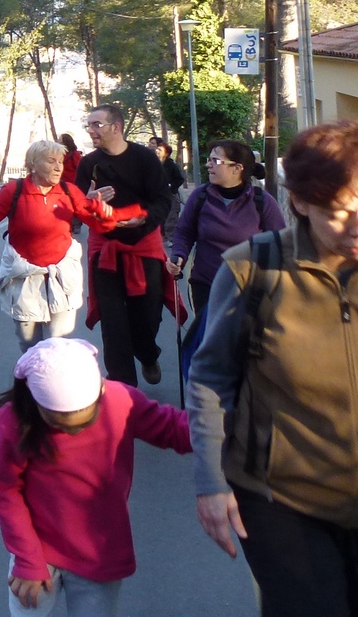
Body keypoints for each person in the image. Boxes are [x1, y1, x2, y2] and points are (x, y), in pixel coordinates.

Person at [188, 121, 358, 615]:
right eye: (338, 212)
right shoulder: (253, 267)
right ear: (300, 202)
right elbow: (211, 378)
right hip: (281, 499)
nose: (355, 226)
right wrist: (211, 482)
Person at [0, 338, 191, 615]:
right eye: (59, 423)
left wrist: (219, 425)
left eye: (85, 421)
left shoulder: (121, 400)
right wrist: (27, 558)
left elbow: (172, 428)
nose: (74, 431)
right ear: (33, 399)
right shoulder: (11, 422)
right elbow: (3, 490)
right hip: (37, 549)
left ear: (101, 388)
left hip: (98, 553)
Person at [75, 104, 184, 387]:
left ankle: (147, 355)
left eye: (97, 124)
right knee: (113, 323)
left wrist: (143, 219)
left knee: (146, 318)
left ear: (116, 127)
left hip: (143, 245)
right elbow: (77, 205)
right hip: (106, 249)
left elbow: (163, 200)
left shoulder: (145, 159)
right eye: (89, 125)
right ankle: (123, 388)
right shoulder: (88, 164)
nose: (91, 130)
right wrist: (89, 199)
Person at [167, 139, 284, 380]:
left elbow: (280, 242)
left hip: (248, 290)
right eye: (208, 159)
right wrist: (178, 256)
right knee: (212, 344)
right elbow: (184, 232)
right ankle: (210, 393)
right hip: (206, 284)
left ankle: (245, 393)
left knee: (243, 348)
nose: (208, 165)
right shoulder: (200, 196)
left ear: (237, 168)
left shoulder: (262, 202)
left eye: (215, 160)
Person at [0, 140, 110, 351]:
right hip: (24, 277)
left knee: (59, 345)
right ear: (33, 164)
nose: (58, 167)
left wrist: (97, 208)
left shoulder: (68, 191)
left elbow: (95, 224)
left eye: (60, 162)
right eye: (51, 161)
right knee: (30, 346)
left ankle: (53, 373)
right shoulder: (14, 190)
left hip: (62, 276)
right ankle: (33, 373)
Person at [147, 138, 187, 243]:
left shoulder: (171, 165)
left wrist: (171, 186)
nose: (157, 151)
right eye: (157, 149)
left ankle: (172, 238)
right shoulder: (152, 163)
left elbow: (179, 179)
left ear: (166, 154)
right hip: (156, 195)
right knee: (158, 215)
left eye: (160, 150)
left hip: (171, 195)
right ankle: (161, 236)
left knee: (171, 217)